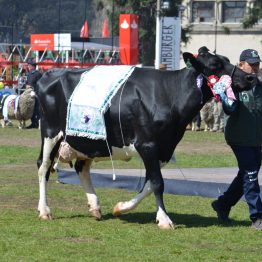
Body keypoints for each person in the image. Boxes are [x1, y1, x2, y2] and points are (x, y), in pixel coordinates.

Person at [211, 49, 262, 230]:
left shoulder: (260, 85)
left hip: (256, 139)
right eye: (251, 64)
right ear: (241, 65)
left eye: (257, 64)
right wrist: (225, 96)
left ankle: (222, 204)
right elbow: (230, 110)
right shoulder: (234, 85)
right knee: (250, 174)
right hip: (239, 137)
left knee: (247, 174)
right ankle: (257, 217)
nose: (255, 68)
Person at [26, 59, 42, 129]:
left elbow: (40, 84)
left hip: (36, 93)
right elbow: (27, 82)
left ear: (33, 66)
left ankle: (38, 123)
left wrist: (33, 87)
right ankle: (33, 123)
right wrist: (26, 85)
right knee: (31, 109)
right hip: (29, 93)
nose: (28, 67)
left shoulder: (38, 74)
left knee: (37, 109)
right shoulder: (28, 74)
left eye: (29, 65)